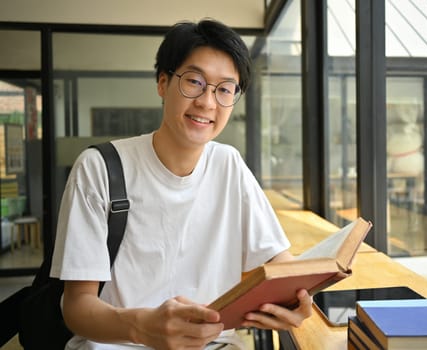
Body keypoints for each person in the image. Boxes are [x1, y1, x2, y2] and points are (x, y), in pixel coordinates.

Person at [50, 18, 312, 350]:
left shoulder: (228, 165)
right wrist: (142, 327)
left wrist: (300, 299)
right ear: (163, 82)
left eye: (225, 89)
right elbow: (76, 307)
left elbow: (278, 263)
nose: (207, 102)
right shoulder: (99, 168)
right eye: (194, 82)